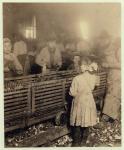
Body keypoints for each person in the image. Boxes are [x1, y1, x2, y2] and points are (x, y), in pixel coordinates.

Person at [69, 57, 100, 146]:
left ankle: (76, 143)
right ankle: (83, 142)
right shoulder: (94, 77)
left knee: (77, 123)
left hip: (79, 102)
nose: (80, 67)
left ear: (86, 66)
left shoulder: (77, 78)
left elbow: (72, 92)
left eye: (81, 65)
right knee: (87, 121)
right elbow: (96, 86)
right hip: (89, 101)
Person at [102, 37, 121, 122]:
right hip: (113, 75)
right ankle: (111, 115)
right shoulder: (115, 49)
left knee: (113, 95)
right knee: (112, 94)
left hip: (117, 75)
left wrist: (108, 64)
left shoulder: (120, 50)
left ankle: (108, 116)